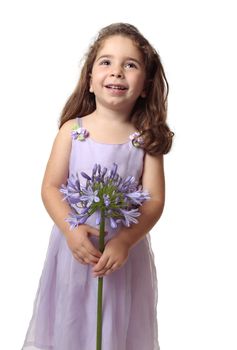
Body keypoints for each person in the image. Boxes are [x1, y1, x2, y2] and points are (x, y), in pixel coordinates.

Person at [21, 22, 174, 350]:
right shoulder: (72, 132)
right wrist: (71, 231)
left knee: (116, 324)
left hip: (121, 255)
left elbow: (154, 201)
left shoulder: (144, 141)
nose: (117, 72)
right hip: (75, 252)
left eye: (129, 65)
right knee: (72, 321)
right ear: (89, 79)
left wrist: (126, 241)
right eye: (106, 62)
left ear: (145, 85)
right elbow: (50, 187)